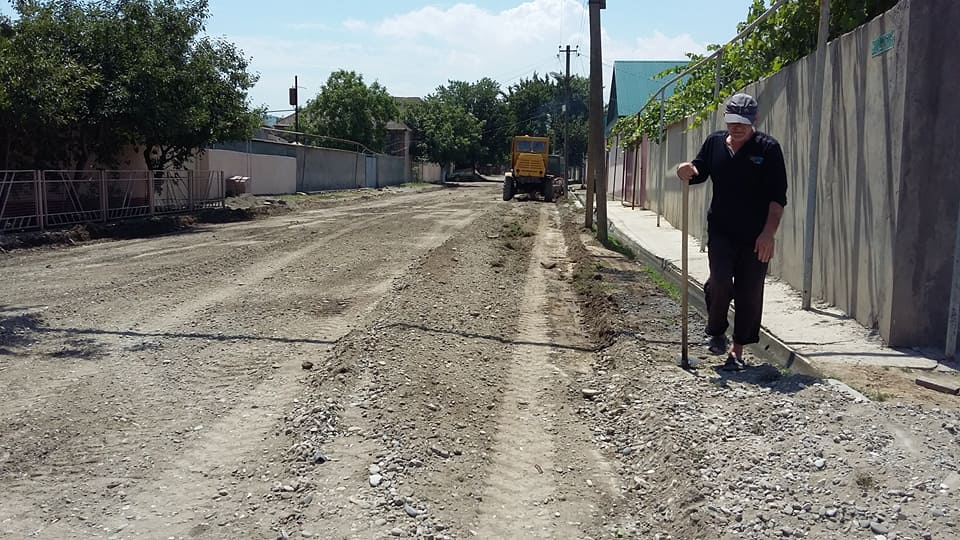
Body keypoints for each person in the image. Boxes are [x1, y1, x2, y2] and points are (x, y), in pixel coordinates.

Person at [675, 93, 787, 371]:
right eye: (732, 121)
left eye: (743, 123)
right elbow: (699, 170)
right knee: (720, 281)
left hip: (756, 235)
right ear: (725, 119)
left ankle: (737, 350)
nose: (737, 128)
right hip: (722, 230)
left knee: (750, 290)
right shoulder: (714, 143)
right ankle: (716, 332)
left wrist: (768, 234)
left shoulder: (768, 149)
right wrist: (685, 170)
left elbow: (777, 199)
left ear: (754, 120)